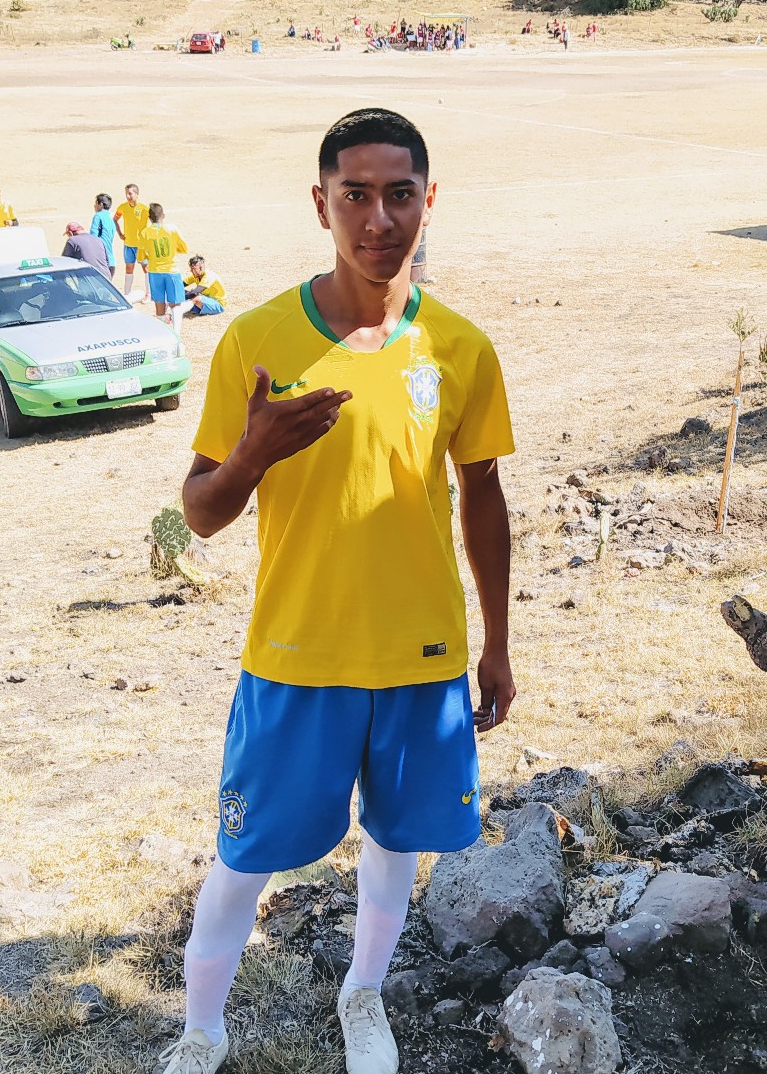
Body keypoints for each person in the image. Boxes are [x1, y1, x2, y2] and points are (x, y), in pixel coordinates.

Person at [161, 108, 516, 1074]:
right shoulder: (258, 339)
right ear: (320, 204)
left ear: (429, 200)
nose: (378, 218)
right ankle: (201, 1030)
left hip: (421, 657)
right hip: (296, 655)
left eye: (399, 194)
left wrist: (497, 642)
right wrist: (252, 453)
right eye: (354, 194)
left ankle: (364, 991)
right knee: (244, 857)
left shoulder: (460, 346)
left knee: (397, 844)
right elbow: (200, 513)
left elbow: (484, 496)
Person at [137, 203, 189, 336]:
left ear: (149, 217)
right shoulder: (172, 229)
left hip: (155, 272)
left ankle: (163, 334)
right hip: (172, 270)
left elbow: (140, 255)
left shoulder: (145, 232)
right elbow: (184, 248)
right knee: (176, 304)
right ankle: (176, 333)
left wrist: (148, 256)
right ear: (163, 215)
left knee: (159, 303)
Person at [114, 184, 150, 299]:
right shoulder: (122, 207)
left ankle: (149, 294)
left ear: (137, 194)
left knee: (146, 268)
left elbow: (154, 222)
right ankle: (127, 294)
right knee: (129, 268)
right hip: (128, 244)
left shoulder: (144, 209)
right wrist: (120, 233)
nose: (127, 196)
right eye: (126, 193)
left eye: (130, 193)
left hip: (141, 246)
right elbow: (115, 219)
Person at [90, 193, 117, 278]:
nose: (94, 206)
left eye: (96, 203)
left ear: (101, 204)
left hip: (101, 262)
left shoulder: (98, 216)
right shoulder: (110, 219)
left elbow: (93, 238)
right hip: (111, 262)